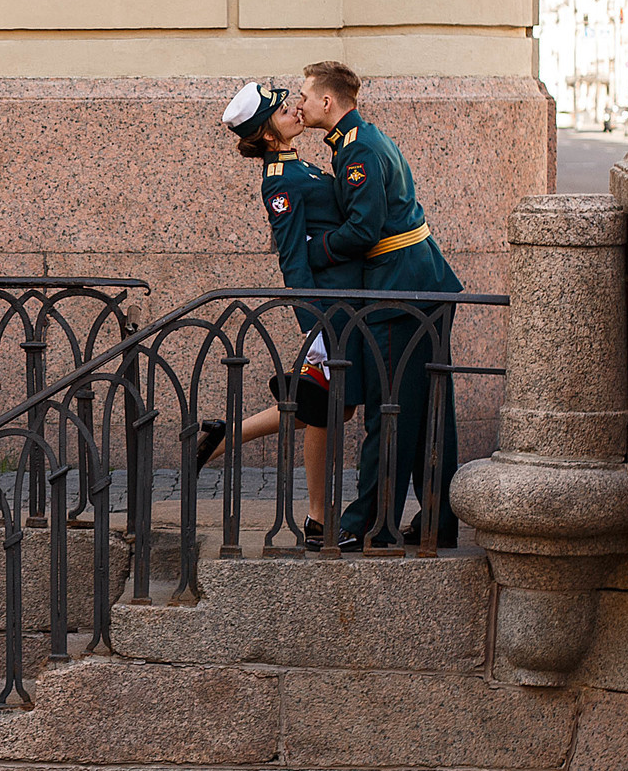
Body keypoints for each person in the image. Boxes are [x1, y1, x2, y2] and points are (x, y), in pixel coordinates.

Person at [290, 60, 463, 547]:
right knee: (429, 411)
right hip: (420, 283)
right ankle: (438, 521)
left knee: (389, 411)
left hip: (398, 293)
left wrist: (313, 251)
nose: (299, 103)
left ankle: (367, 522)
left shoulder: (358, 150)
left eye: (305, 94)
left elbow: (364, 231)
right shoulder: (361, 139)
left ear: (328, 101)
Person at [192, 82, 363, 546]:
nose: (292, 110)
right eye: (281, 110)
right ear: (268, 135)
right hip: (329, 306)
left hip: (343, 302)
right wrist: (315, 324)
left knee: (336, 406)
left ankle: (223, 436)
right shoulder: (279, 180)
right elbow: (292, 257)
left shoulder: (296, 164)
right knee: (325, 406)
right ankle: (317, 521)